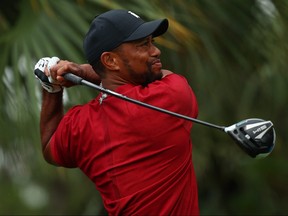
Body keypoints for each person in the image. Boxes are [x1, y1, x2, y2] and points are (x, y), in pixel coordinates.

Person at [34, 9, 199, 215]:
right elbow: (163, 76)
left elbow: (49, 146)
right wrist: (82, 71)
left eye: (152, 42)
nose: (155, 51)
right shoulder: (169, 98)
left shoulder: (80, 126)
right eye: (143, 45)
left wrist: (51, 86)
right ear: (110, 61)